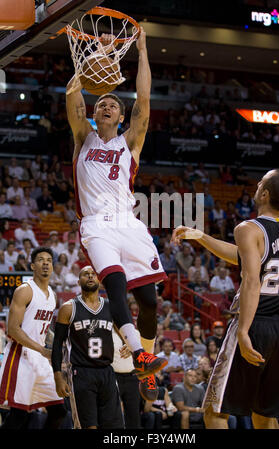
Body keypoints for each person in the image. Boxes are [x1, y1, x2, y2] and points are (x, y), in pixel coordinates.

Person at [66, 29, 167, 400]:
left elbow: (143, 97)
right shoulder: (83, 137)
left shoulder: (130, 141)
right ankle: (139, 357)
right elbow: (73, 89)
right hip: (96, 225)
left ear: (122, 117)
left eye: (112, 105)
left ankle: (147, 361)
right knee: (117, 286)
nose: (105, 106)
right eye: (101, 104)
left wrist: (140, 50)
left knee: (151, 303)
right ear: (94, 114)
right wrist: (97, 52)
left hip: (129, 224)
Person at [172, 169, 279, 428]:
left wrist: (243, 331)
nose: (257, 185)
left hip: (255, 323)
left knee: (215, 411)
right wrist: (200, 236)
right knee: (264, 414)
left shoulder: (248, 228)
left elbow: (252, 281)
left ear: (263, 193)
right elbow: (243, 255)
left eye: (260, 182)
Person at [0, 247, 66, 429]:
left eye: (49, 260)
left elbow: (43, 329)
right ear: (33, 266)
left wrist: (57, 344)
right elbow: (13, 329)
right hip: (19, 356)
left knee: (59, 411)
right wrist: (42, 349)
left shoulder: (52, 295)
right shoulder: (25, 290)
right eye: (40, 260)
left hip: (40, 358)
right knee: (18, 415)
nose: (45, 263)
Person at [51, 266, 124, 429]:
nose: (90, 276)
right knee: (88, 426)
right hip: (81, 373)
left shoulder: (110, 306)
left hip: (107, 371)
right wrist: (58, 376)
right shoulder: (69, 308)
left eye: (93, 274)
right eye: (86, 274)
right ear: (78, 281)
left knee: (113, 427)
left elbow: (124, 331)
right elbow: (57, 345)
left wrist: (128, 344)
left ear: (99, 281)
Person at [112, 327, 142, 428]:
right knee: (114, 413)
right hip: (114, 377)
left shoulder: (135, 333)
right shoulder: (107, 331)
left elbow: (143, 353)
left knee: (133, 413)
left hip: (133, 377)